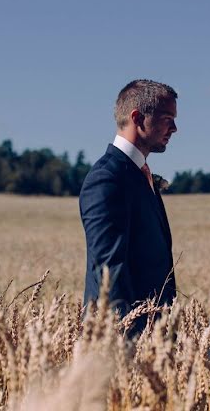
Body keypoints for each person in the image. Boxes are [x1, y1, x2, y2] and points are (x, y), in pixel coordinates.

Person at [79, 79, 178, 334]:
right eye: (167, 118)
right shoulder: (107, 178)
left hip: (154, 332)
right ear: (137, 117)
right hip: (122, 336)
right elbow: (109, 270)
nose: (175, 128)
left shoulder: (139, 174)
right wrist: (132, 339)